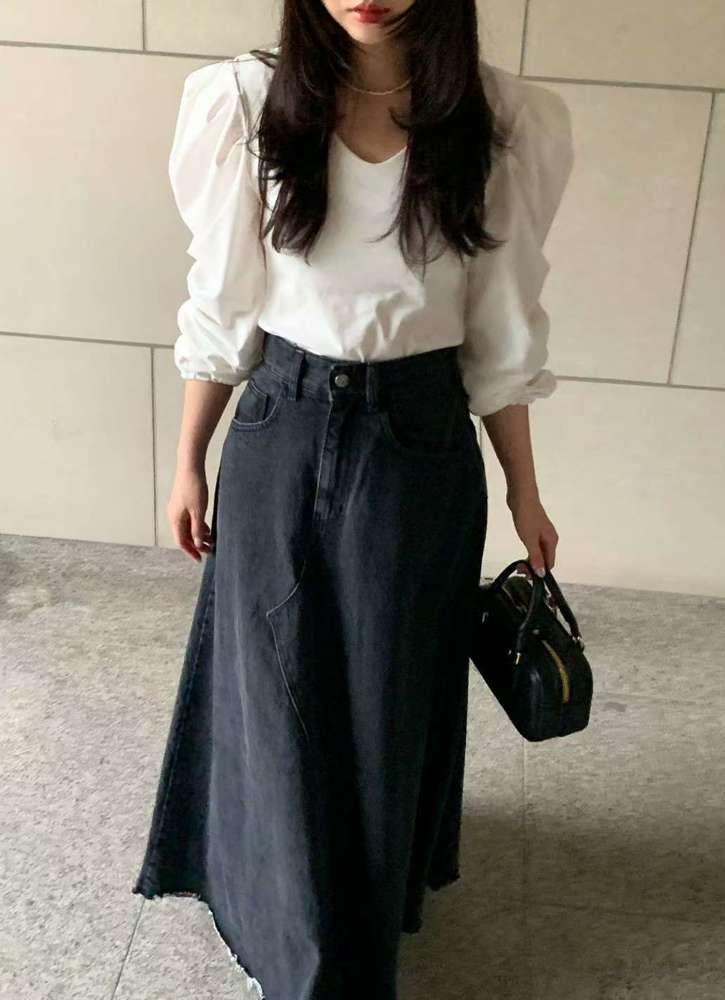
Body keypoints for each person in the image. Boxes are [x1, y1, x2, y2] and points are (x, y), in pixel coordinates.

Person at [132, 2, 574, 997]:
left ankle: (357, 917)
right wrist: (188, 457)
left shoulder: (502, 120)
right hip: (279, 422)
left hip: (420, 439)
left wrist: (525, 488)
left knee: (386, 692)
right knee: (269, 683)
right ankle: (293, 936)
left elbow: (501, 328)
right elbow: (225, 297)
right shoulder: (248, 101)